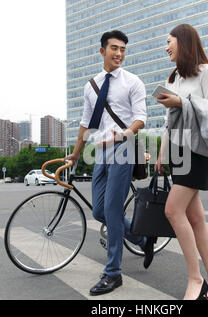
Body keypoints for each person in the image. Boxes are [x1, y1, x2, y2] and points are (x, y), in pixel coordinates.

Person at [64, 30, 155, 296]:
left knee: (113, 212)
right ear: (102, 51)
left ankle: (113, 273)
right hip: (99, 152)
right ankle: (142, 238)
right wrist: (76, 153)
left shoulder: (133, 82)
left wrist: (122, 135)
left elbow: (140, 118)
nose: (119, 54)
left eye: (123, 49)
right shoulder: (90, 85)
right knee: (99, 212)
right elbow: (85, 123)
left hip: (123, 149)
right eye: (114, 48)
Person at [154, 24, 208, 300]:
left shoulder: (205, 71)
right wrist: (162, 153)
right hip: (176, 150)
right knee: (194, 216)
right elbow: (167, 121)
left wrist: (181, 102)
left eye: (169, 41)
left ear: (183, 42)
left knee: (173, 211)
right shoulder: (173, 77)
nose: (166, 47)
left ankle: (195, 278)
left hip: (197, 150)